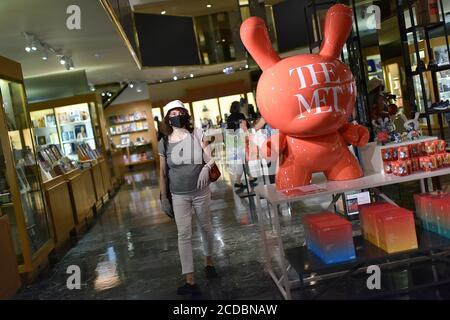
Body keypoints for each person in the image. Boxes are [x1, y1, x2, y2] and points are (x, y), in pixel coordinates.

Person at [158, 100, 217, 295]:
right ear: (168, 118)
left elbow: (210, 157)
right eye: (172, 113)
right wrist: (163, 197)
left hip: (201, 192)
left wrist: (206, 168)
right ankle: (190, 280)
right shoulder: (164, 142)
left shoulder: (197, 133)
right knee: (183, 235)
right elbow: (162, 173)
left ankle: (208, 261)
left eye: (180, 112)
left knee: (205, 227)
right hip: (178, 195)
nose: (177, 115)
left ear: (186, 114)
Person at [226, 101, 257, 188]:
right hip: (240, 139)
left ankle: (250, 177)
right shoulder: (241, 115)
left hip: (232, 140)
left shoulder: (229, 117)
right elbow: (246, 127)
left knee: (242, 160)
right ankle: (238, 181)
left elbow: (228, 129)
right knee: (242, 160)